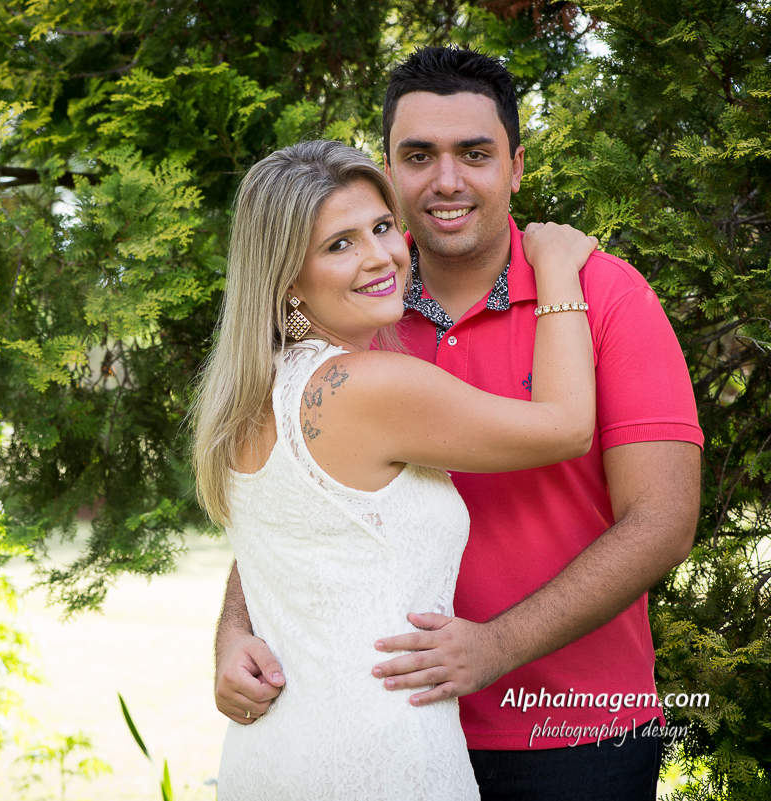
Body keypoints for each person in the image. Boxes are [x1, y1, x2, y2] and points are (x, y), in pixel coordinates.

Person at [212, 47, 702, 801]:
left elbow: (663, 520)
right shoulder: (359, 305)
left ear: (515, 165)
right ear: (390, 169)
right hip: (391, 727)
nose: (446, 180)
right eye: (419, 156)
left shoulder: (603, 296)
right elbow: (303, 508)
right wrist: (233, 627)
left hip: (569, 726)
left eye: (474, 153)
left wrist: (496, 646)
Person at [191, 137, 600, 799]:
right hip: (384, 762)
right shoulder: (371, 385)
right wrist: (555, 268)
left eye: (381, 227)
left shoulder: (244, 400)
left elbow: (290, 551)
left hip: (267, 758)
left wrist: (230, 634)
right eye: (339, 244)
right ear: (288, 278)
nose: (380, 256)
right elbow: (567, 427)